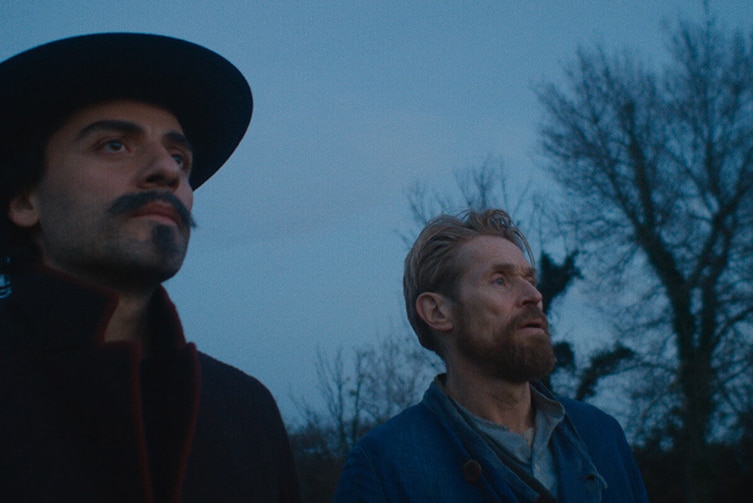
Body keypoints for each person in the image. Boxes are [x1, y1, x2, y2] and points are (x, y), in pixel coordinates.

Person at [0, 33, 300, 502]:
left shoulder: (247, 414)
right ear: (24, 200)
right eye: (114, 145)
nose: (168, 170)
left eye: (180, 157)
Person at [334, 209, 649, 502]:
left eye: (530, 280)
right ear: (438, 312)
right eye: (500, 280)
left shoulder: (601, 435)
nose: (534, 296)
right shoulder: (384, 466)